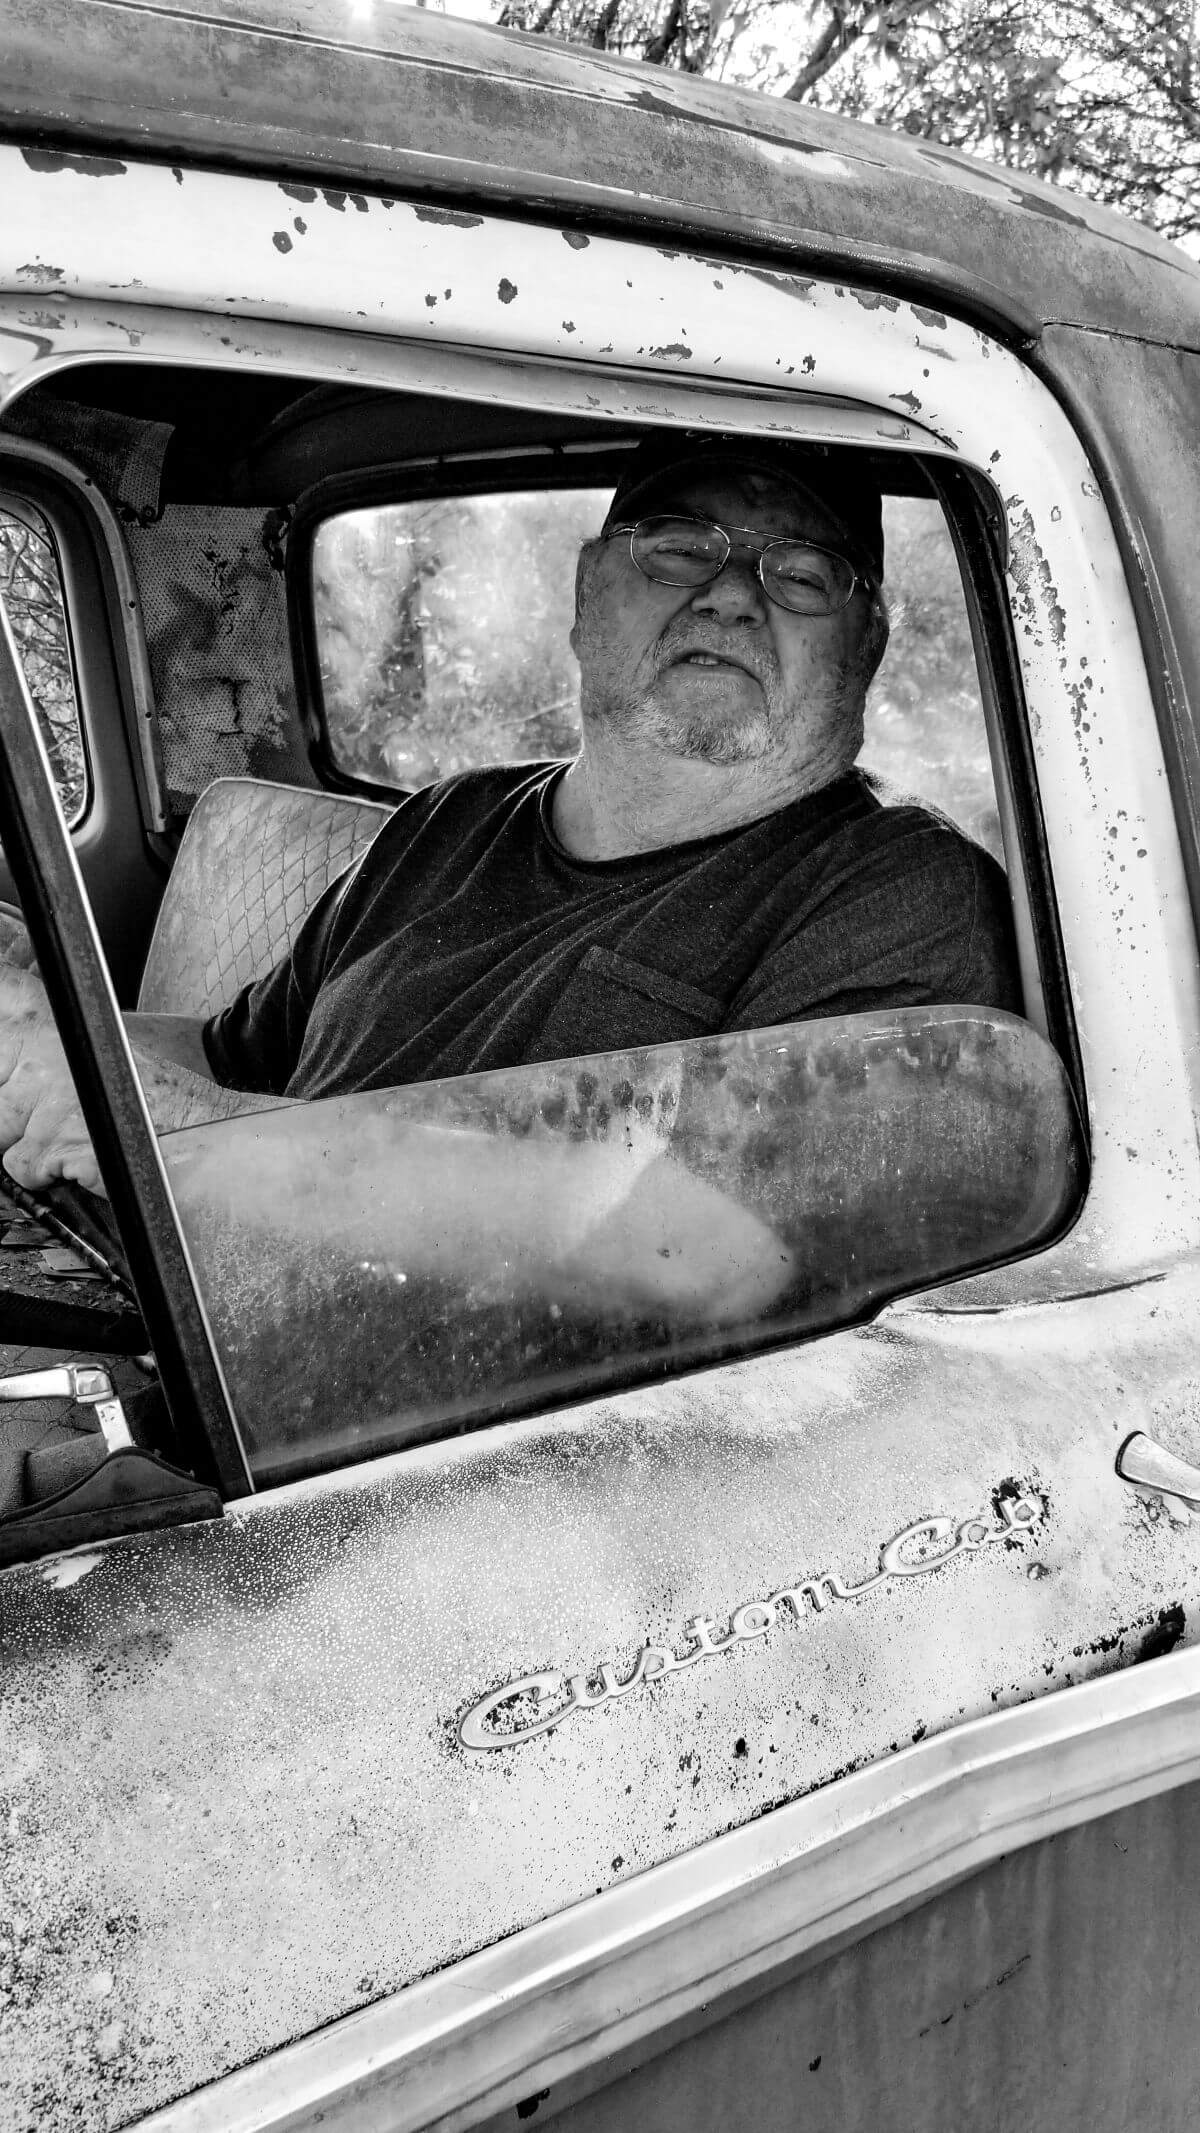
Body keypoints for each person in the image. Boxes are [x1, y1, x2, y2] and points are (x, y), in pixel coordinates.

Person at [0, 433, 1019, 1201]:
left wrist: (173, 1134)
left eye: (800, 575)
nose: (731, 597)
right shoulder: (448, 819)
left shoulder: (901, 896)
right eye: (677, 549)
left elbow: (709, 1248)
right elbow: (232, 1058)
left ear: (867, 647)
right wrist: (46, 1040)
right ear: (586, 594)